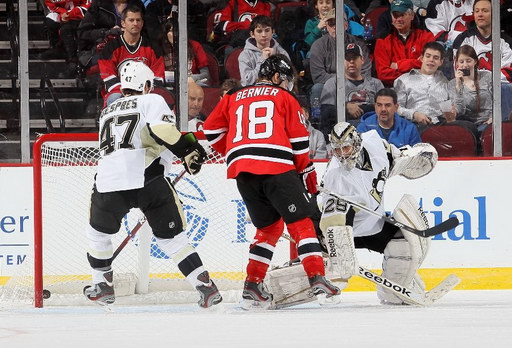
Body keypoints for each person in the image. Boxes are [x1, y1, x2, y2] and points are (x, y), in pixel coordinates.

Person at [203, 54, 340, 309]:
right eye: (286, 80)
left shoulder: (233, 95)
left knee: (269, 229)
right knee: (302, 223)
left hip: (243, 172)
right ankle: (317, 278)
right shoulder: (284, 97)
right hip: (276, 166)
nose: (287, 86)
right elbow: (300, 142)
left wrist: (235, 151)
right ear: (277, 76)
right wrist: (307, 171)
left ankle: (253, 285)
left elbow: (210, 131)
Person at [83, 61, 222, 309]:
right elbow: (161, 130)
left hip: (108, 181)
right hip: (147, 177)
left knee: (98, 233)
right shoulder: (151, 99)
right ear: (146, 85)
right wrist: (188, 149)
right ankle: (205, 287)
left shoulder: (107, 110)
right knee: (173, 239)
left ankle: (102, 284)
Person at [452, 0, 512, 120]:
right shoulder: (463, 39)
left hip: (497, 88)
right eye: (477, 11)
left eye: (485, 11)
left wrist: (486, 80)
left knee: (506, 88)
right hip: (470, 86)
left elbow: (509, 72)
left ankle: (501, 128)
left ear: (494, 14)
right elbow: (459, 69)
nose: (480, 14)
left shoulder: (506, 41)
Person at [98, 4, 165, 106]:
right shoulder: (110, 48)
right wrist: (128, 93)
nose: (135, 23)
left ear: (142, 23)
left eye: (138, 20)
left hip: (146, 93)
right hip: (119, 93)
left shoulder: (153, 48)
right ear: (123, 23)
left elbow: (158, 77)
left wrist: (143, 93)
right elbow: (108, 77)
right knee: (114, 99)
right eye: (131, 20)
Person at [319, 43, 384, 137]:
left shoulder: (376, 84)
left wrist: (360, 109)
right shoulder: (332, 83)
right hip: (342, 134)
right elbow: (326, 113)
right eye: (347, 58)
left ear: (362, 60)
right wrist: (346, 107)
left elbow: (384, 108)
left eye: (355, 58)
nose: (351, 61)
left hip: (371, 131)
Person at [309, 8, 371, 106]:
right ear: (326, 27)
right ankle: (320, 120)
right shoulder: (318, 46)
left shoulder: (359, 44)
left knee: (372, 85)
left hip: (357, 83)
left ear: (346, 25)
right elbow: (318, 76)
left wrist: (351, 82)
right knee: (317, 88)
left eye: (337, 23)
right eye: (331, 24)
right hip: (329, 85)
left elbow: (366, 71)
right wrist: (342, 80)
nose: (334, 27)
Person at [394, 41, 456, 126]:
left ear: (441, 62)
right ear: (421, 58)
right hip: (414, 125)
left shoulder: (445, 82)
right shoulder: (403, 80)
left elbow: (448, 109)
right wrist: (414, 114)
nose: (431, 60)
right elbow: (396, 108)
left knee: (468, 126)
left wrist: (450, 114)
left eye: (435, 58)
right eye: (428, 56)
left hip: (441, 125)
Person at [374, 0, 434, 87]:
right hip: (393, 88)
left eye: (402, 15)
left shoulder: (426, 36)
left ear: (412, 15)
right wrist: (415, 67)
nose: (398, 19)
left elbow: (430, 64)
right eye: (395, 15)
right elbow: (383, 74)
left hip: (423, 86)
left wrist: (400, 65)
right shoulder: (383, 41)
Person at [77, 0, 145, 73]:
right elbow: (82, 32)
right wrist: (107, 32)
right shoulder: (98, 5)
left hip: (132, 49)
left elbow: (146, 31)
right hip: (100, 50)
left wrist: (130, 31)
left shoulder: (137, 4)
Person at [448, 44, 492, 134]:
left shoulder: (487, 76)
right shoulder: (452, 84)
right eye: (461, 61)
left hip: (490, 123)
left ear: (475, 61)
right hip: (468, 126)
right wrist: (458, 85)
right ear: (456, 63)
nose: (465, 65)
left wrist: (494, 118)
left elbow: (498, 100)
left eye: (468, 61)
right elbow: (459, 111)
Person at [41, 0, 92, 77]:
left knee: (66, 29)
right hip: (63, 15)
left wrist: (70, 14)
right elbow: (51, 6)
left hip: (81, 15)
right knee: (50, 20)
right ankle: (56, 47)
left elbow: (87, 6)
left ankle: (73, 61)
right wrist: (63, 14)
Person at [357, 88, 421, 147]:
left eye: (388, 105)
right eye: (379, 105)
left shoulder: (410, 128)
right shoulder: (364, 128)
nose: (383, 109)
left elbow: (417, 156)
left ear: (396, 107)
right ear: (375, 107)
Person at [238, 15, 290, 86]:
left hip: (276, 94)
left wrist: (275, 60)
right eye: (259, 31)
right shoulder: (245, 55)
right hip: (254, 95)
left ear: (273, 32)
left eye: (267, 30)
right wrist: (263, 61)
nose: (264, 35)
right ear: (252, 34)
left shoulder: (282, 53)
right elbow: (246, 82)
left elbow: (289, 80)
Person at [162, 20, 211, 87]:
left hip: (191, 84)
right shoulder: (161, 49)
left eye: (178, 30)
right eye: (171, 30)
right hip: (169, 86)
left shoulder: (195, 46)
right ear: (166, 33)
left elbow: (206, 74)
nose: (175, 34)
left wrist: (192, 78)